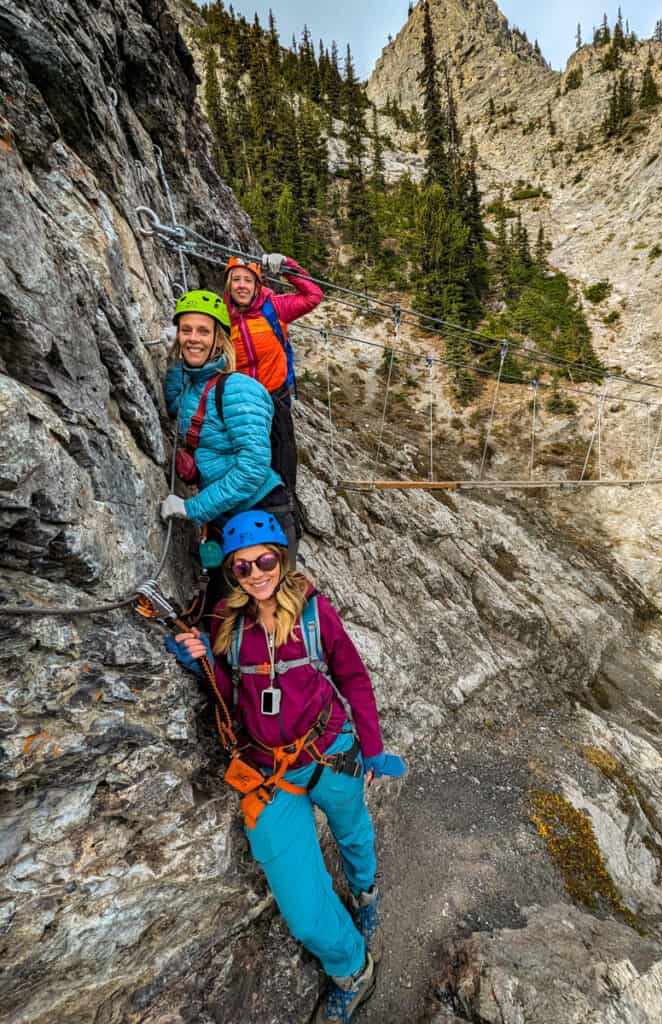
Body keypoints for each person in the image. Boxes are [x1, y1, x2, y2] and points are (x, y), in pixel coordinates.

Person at [164, 510, 407, 1023]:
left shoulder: (317, 615)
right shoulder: (227, 623)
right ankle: (354, 969)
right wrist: (200, 657)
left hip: (330, 750)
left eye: (266, 560)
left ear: (283, 557)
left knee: (353, 833)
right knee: (301, 906)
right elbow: (228, 689)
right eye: (243, 567)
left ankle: (365, 892)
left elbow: (354, 679)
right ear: (232, 572)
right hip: (268, 771)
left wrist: (372, 746)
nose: (257, 574)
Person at [161, 289, 298, 564]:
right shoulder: (196, 384)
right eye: (186, 330)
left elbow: (253, 468)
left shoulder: (239, 389)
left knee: (262, 604)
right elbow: (175, 403)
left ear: (219, 340)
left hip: (262, 514)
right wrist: (175, 359)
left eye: (203, 331)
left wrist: (192, 508)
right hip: (229, 515)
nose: (193, 339)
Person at [224, 252, 323, 520]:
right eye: (236, 280)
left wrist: (288, 268)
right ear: (228, 285)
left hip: (274, 395)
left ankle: (284, 509)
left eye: (248, 280)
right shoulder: (221, 317)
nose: (242, 285)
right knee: (246, 458)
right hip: (243, 402)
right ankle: (248, 510)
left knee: (283, 453)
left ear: (257, 285)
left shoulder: (273, 308)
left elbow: (312, 296)